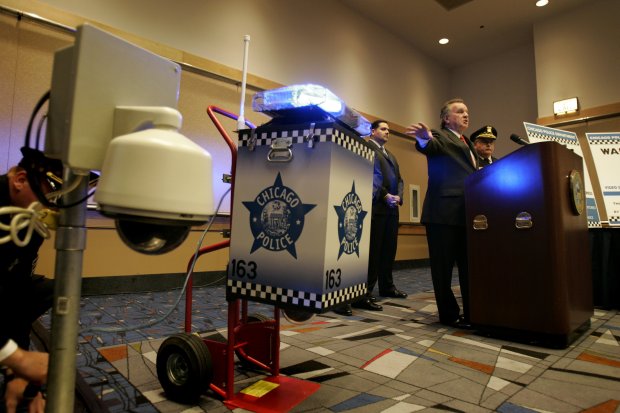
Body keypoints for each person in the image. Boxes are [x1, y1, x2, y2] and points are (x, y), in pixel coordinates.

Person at [404, 98, 476, 328]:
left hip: (466, 213)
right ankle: (449, 314)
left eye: (467, 111)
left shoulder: (468, 142)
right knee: (443, 269)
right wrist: (424, 139)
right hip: (443, 213)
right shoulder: (440, 136)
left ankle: (473, 311)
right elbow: (429, 146)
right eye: (460, 111)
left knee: (468, 267)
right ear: (446, 118)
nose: (466, 115)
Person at [1, 162, 57, 413]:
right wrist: (16, 358)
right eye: (49, 197)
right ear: (20, 180)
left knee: (47, 290)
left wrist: (19, 374)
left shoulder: (29, 219)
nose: (50, 207)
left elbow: (15, 293)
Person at [352, 119, 407, 312]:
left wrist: (399, 195)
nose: (387, 132)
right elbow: (368, 176)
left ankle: (387, 287)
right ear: (372, 131)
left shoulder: (390, 155)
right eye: (383, 129)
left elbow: (400, 179)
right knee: (373, 252)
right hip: (376, 207)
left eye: (389, 130)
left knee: (388, 250)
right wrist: (385, 195)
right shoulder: (365, 148)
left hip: (392, 210)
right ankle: (365, 292)